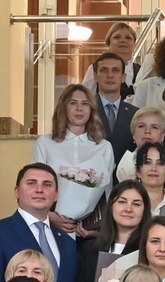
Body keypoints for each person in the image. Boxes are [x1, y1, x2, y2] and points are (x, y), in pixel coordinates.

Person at [35, 82, 115, 223]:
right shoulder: (45, 143)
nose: (79, 108)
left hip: (89, 227)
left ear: (91, 109)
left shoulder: (104, 147)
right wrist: (49, 216)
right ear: (63, 107)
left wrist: (99, 228)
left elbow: (108, 193)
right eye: (73, 103)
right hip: (50, 222)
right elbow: (36, 184)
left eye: (85, 104)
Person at [85, 52, 140, 165]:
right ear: (95, 76)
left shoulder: (135, 114)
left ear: (123, 77)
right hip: (92, 173)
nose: (110, 75)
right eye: (104, 70)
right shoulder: (86, 110)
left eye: (115, 70)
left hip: (126, 174)